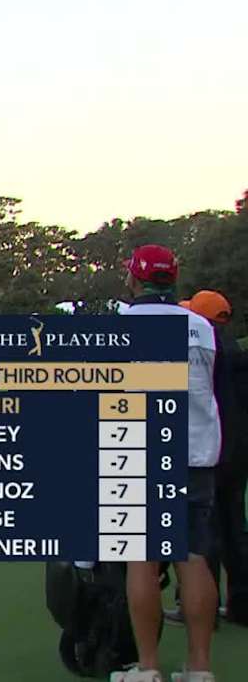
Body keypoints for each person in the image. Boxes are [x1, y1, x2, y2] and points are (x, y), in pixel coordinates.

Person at [113, 246, 222, 682]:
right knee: (192, 557)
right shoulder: (201, 326)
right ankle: (199, 668)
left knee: (142, 559)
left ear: (136, 280)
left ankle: (148, 667)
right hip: (196, 451)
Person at [187, 291, 246, 625]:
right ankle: (242, 604)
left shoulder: (204, 349)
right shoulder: (233, 349)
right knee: (236, 528)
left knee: (201, 538)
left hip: (209, 451)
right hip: (237, 451)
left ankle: (202, 614)